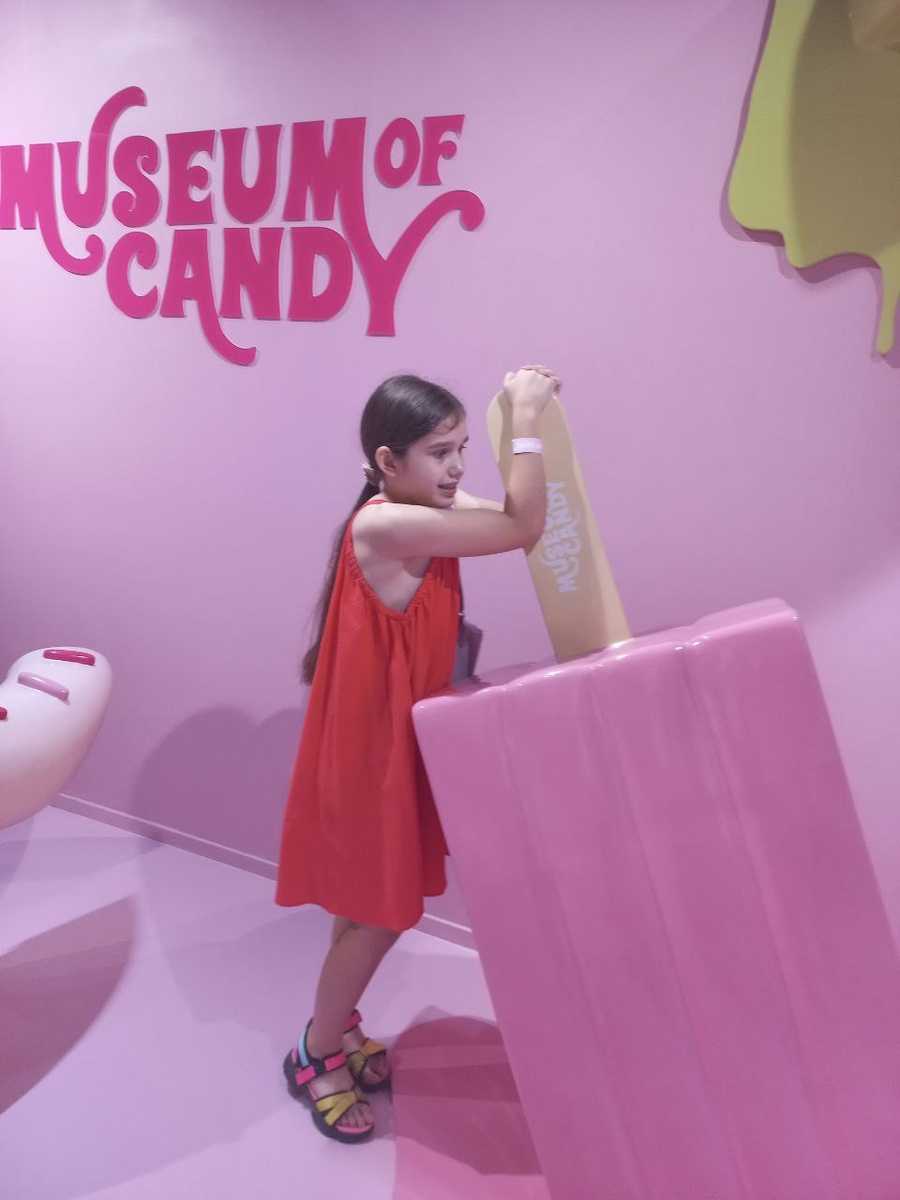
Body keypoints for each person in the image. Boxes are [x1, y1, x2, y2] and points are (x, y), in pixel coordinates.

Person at [276, 364, 560, 1142]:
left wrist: (510, 449)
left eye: (462, 447)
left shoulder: (422, 511)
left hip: (389, 747)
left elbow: (515, 516)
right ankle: (315, 1052)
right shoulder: (386, 526)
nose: (457, 467)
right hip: (374, 759)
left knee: (365, 909)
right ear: (387, 461)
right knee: (380, 916)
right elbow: (524, 527)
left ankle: (339, 1026)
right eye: (441, 452)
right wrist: (526, 419)